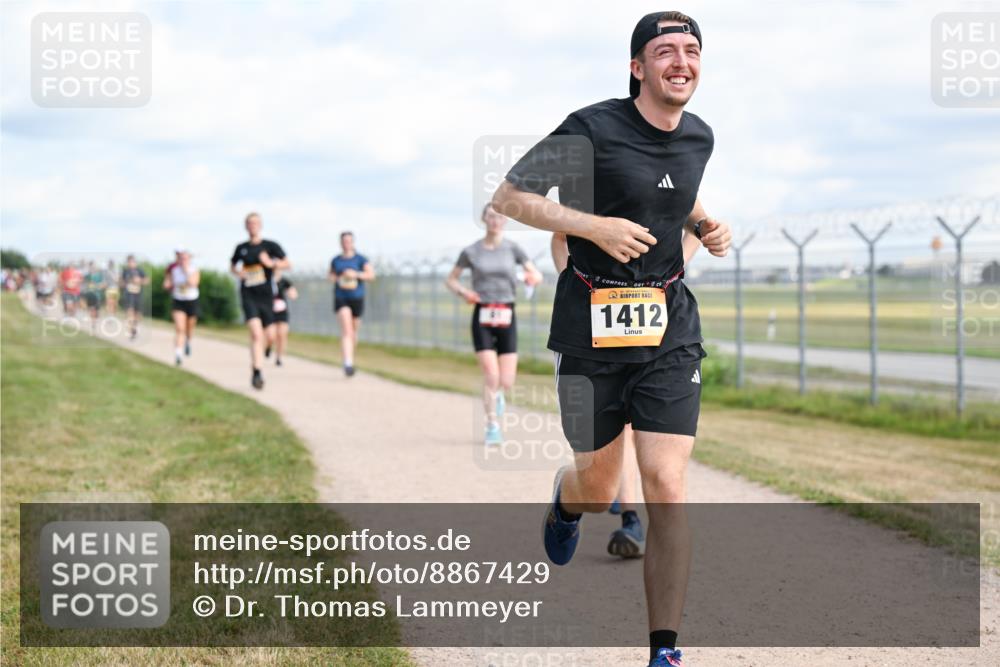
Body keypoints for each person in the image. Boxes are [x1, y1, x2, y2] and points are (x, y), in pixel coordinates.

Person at [492, 12, 732, 666]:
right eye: (664, 51)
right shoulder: (592, 127)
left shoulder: (700, 136)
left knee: (666, 481)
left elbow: (677, 190)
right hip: (589, 331)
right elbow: (510, 195)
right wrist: (594, 227)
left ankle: (664, 651)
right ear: (637, 67)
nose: (680, 61)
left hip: (667, 331)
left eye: (691, 50)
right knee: (599, 489)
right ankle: (564, 505)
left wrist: (707, 222)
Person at [552, 226, 703, 560]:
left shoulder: (671, 181)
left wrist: (671, 272)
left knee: (648, 445)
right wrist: (576, 287)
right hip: (593, 340)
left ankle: (631, 518)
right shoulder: (594, 183)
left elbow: (697, 225)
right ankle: (572, 497)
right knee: (598, 488)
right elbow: (561, 237)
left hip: (657, 339)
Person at [446, 204, 543, 446]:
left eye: (499, 216)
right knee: (491, 375)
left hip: (507, 313)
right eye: (491, 216)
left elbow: (536, 274)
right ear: (483, 219)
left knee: (506, 380)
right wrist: (464, 293)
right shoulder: (471, 251)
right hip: (483, 314)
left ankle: (498, 395)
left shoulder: (513, 249)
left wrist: (532, 278)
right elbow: (451, 279)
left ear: (505, 220)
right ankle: (492, 425)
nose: (495, 220)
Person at [231, 212, 290, 389]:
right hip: (248, 294)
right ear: (246, 226)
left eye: (255, 223)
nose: (252, 226)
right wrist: (238, 272)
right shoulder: (241, 247)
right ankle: (257, 372)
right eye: (249, 223)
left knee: (270, 335)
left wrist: (271, 264)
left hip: (266, 295)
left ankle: (267, 348)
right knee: (256, 334)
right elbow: (233, 265)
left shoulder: (270, 246)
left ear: (260, 225)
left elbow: (288, 263)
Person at [328, 231, 374, 377]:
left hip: (357, 298)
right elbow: (330, 276)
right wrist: (337, 277)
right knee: (347, 330)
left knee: (353, 332)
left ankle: (350, 357)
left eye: (349, 241)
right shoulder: (336, 260)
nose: (346, 243)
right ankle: (348, 363)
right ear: (340, 243)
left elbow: (371, 275)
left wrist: (355, 274)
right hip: (341, 297)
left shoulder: (360, 259)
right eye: (344, 241)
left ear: (353, 242)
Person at [163, 249, 200, 366]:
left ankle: (188, 341)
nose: (183, 261)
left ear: (189, 259)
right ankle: (178, 354)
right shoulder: (173, 270)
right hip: (178, 300)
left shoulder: (194, 270)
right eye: (181, 258)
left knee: (190, 327)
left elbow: (193, 283)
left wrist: (185, 272)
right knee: (180, 328)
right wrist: (167, 285)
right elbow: (167, 283)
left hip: (192, 300)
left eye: (185, 258)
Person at [270, 269, 298, 366]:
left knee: (282, 334)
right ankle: (268, 346)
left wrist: (291, 294)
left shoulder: (285, 281)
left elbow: (294, 294)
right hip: (269, 311)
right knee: (272, 335)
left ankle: (279, 357)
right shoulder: (267, 280)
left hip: (282, 311)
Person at [120, 255, 149, 340]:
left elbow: (147, 280)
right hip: (128, 294)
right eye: (129, 262)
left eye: (132, 262)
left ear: (135, 262)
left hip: (138, 295)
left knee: (138, 315)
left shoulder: (140, 271)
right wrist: (125, 283)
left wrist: (139, 280)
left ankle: (134, 328)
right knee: (129, 313)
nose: (131, 264)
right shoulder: (125, 271)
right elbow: (121, 282)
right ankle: (131, 330)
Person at [82, 261, 108, 326]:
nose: (92, 268)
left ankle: (95, 319)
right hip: (90, 294)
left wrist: (99, 286)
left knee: (96, 311)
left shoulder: (99, 275)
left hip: (97, 295)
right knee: (92, 309)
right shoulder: (87, 276)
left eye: (93, 266)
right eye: (91, 266)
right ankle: (93, 323)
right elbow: (84, 283)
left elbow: (104, 284)